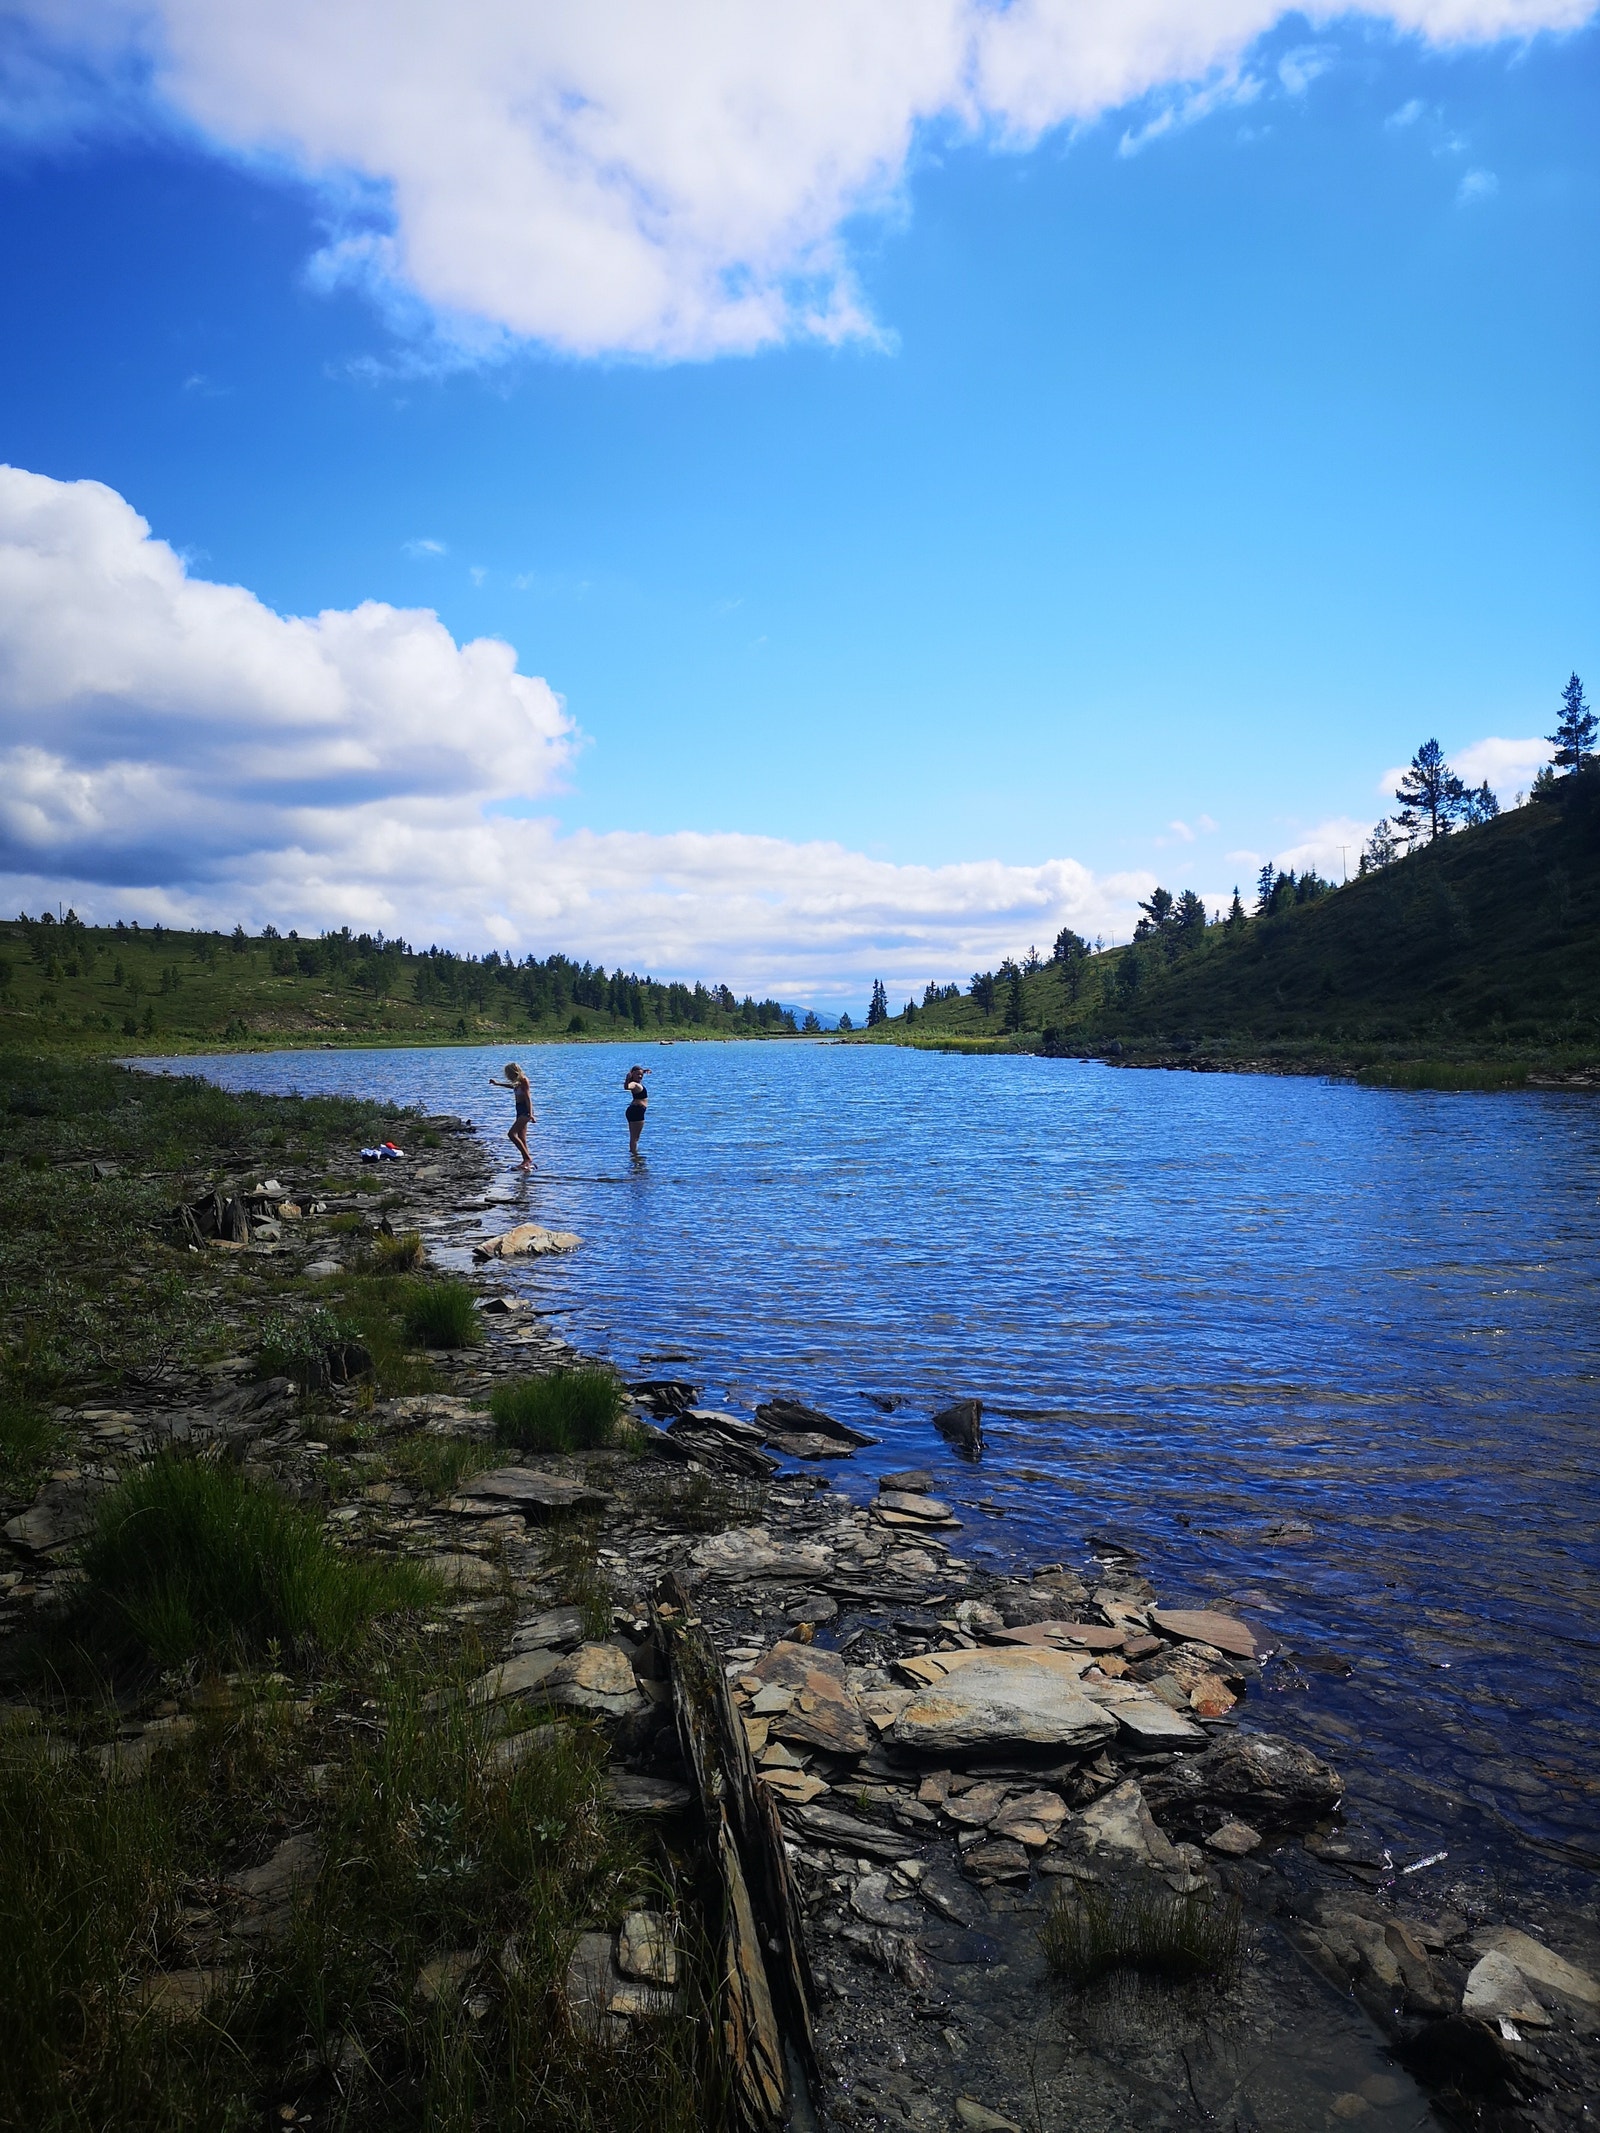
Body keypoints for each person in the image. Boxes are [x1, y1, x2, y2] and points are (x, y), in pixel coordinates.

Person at [489, 1062, 534, 1168]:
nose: (507, 1076)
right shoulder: (517, 1082)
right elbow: (512, 1086)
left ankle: (527, 1158)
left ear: (513, 1072)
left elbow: (528, 1098)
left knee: (511, 1134)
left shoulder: (524, 1080)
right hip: (519, 1109)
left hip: (525, 1110)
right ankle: (526, 1162)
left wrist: (531, 1114)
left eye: (508, 1074)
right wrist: (497, 1084)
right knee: (521, 1137)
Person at [623, 1063, 650, 1157]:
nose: (640, 1076)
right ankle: (635, 1157)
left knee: (633, 1138)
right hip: (636, 1112)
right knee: (635, 1138)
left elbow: (640, 1072)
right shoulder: (634, 1084)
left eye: (641, 1074)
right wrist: (627, 1079)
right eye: (637, 1074)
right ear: (632, 1075)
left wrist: (644, 1071)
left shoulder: (637, 1082)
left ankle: (633, 1156)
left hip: (634, 1111)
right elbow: (627, 1087)